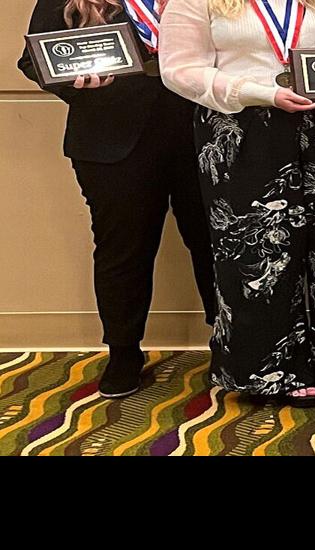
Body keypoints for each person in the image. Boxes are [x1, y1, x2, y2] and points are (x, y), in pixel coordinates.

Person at [160, 0, 315, 407]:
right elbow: (179, 69)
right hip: (244, 127)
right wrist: (261, 92)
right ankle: (269, 369)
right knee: (257, 251)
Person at [18, 0, 218, 399]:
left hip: (202, 129)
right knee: (122, 250)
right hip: (109, 136)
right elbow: (34, 59)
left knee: (214, 243)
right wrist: (72, 82)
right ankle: (123, 352)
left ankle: (227, 342)